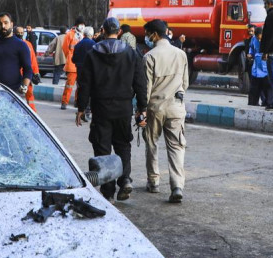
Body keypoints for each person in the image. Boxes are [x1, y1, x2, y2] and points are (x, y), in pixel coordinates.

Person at [76, 18, 148, 202]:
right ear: (119, 32)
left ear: (103, 30)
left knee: (102, 148)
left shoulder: (93, 53)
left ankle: (108, 192)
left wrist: (81, 108)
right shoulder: (131, 54)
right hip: (124, 108)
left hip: (101, 108)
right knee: (123, 144)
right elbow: (140, 82)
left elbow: (85, 83)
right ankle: (124, 180)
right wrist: (142, 107)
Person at [142, 19, 190, 203]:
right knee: (177, 146)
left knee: (152, 143)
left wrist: (142, 110)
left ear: (154, 35)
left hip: (155, 107)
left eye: (147, 34)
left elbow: (146, 88)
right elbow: (185, 83)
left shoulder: (150, 57)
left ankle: (153, 181)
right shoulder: (181, 54)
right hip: (176, 107)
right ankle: (177, 185)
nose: (146, 38)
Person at [59, 18, 83, 109]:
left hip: (80, 65)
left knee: (80, 86)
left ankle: (77, 101)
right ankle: (64, 102)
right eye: (81, 24)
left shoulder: (83, 35)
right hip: (72, 64)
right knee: (69, 85)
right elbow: (65, 48)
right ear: (76, 25)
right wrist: (69, 57)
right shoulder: (70, 34)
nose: (82, 26)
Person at [245, 24, 269, 107]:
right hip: (256, 66)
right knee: (254, 87)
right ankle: (253, 102)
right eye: (257, 36)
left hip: (264, 65)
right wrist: (250, 54)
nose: (259, 38)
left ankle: (267, 102)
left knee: (266, 87)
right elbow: (251, 48)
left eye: (260, 36)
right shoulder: (253, 39)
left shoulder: (267, 39)